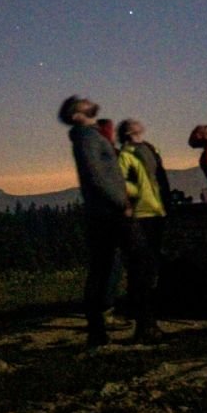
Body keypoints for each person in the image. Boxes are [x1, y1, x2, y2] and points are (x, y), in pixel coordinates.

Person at [57, 95, 131, 349]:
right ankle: (97, 327)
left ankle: (101, 322)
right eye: (81, 102)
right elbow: (97, 175)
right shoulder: (86, 137)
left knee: (108, 264)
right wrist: (121, 202)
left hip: (106, 210)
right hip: (106, 212)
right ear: (76, 114)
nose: (88, 100)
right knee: (104, 266)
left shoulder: (91, 134)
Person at [117, 118, 170, 343]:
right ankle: (145, 326)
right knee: (142, 271)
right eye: (134, 124)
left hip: (154, 214)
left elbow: (159, 179)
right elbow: (121, 185)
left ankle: (149, 323)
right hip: (139, 217)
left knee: (150, 270)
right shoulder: (125, 155)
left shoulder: (149, 150)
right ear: (129, 132)